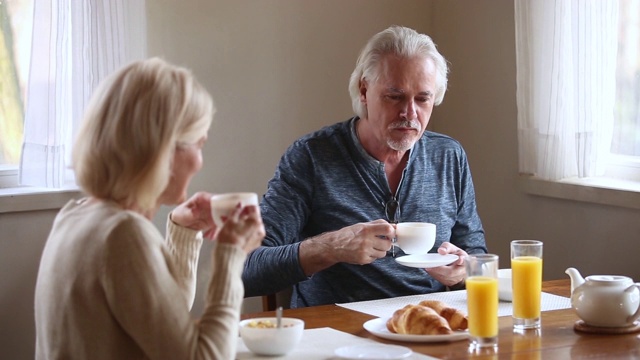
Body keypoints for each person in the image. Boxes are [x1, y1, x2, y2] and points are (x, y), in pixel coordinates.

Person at [34, 58, 265, 359]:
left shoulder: (73, 216)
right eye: (199, 144)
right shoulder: (124, 234)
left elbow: (162, 327)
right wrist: (230, 256)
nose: (200, 161)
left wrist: (183, 233)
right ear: (162, 150)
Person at [242, 26, 487, 308]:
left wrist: (463, 271)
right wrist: (330, 248)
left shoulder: (448, 156)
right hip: (338, 332)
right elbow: (246, 270)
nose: (409, 113)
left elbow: (478, 261)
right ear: (363, 90)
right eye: (394, 96)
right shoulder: (311, 157)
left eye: (422, 99)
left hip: (426, 326)